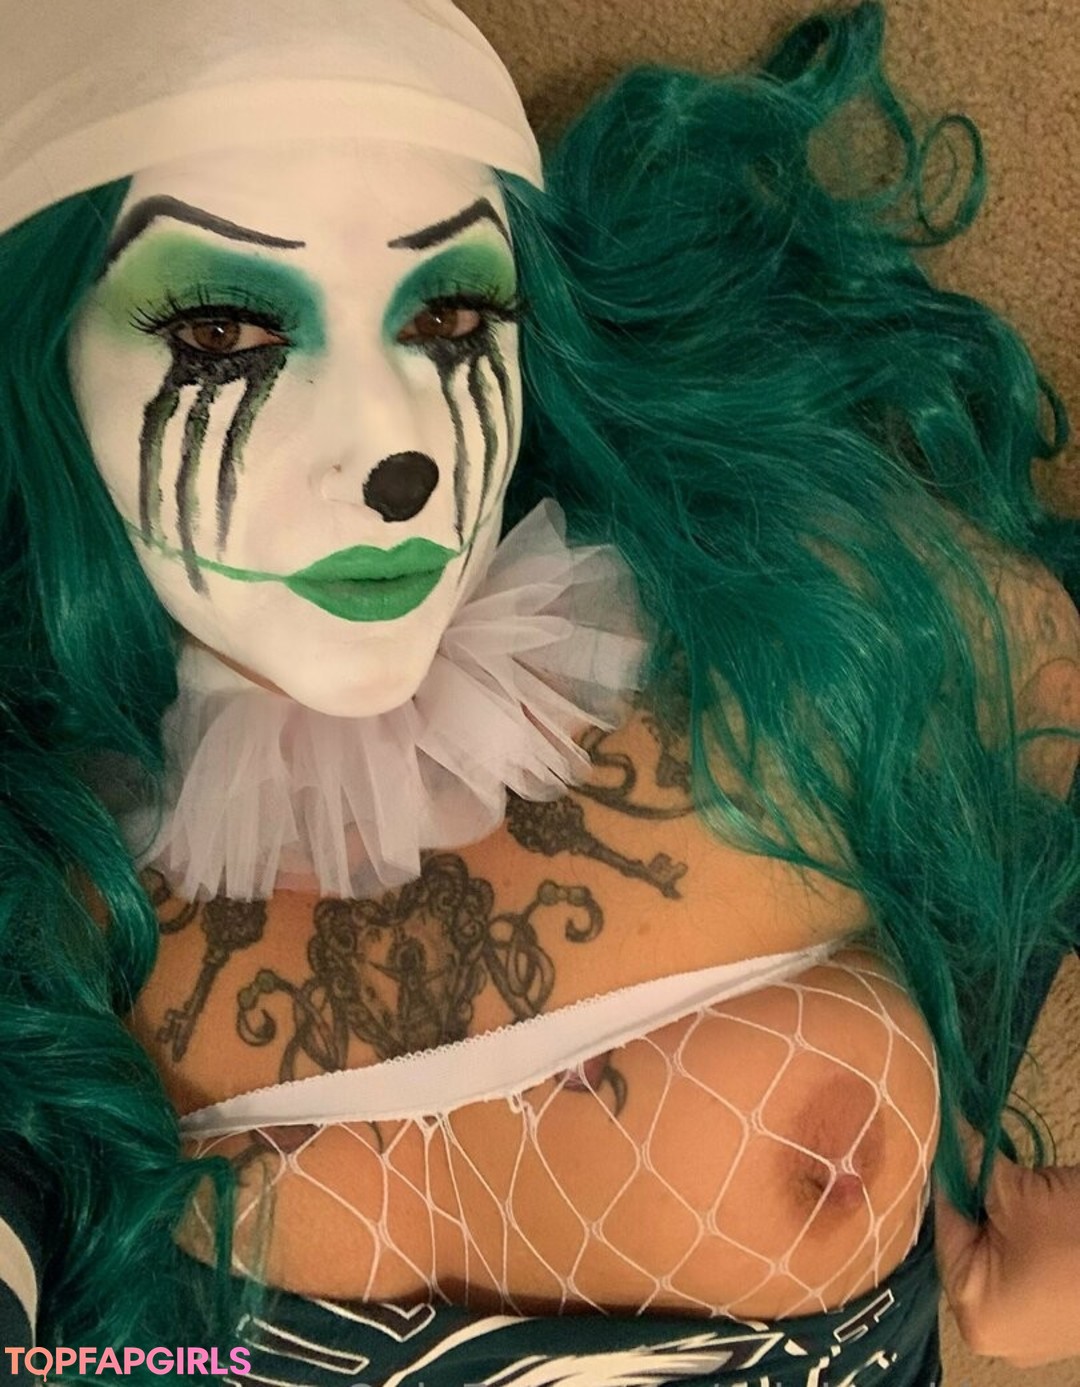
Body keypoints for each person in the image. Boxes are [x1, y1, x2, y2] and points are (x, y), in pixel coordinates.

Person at [0, 1, 1077, 1383]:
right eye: (221, 331)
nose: (393, 457)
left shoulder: (796, 636)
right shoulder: (42, 890)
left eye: (449, 313)